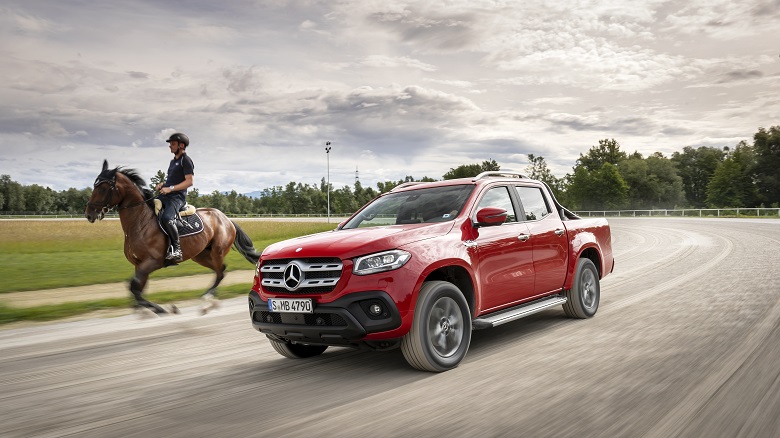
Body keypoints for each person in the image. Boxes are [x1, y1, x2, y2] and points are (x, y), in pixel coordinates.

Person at [155, 132, 194, 262]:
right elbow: (172, 180)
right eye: (170, 144)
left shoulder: (186, 160)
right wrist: (163, 184)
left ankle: (177, 250)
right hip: (166, 195)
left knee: (167, 218)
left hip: (177, 198)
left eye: (173, 143)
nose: (170, 146)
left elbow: (189, 182)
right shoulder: (173, 162)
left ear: (181, 145)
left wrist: (170, 188)